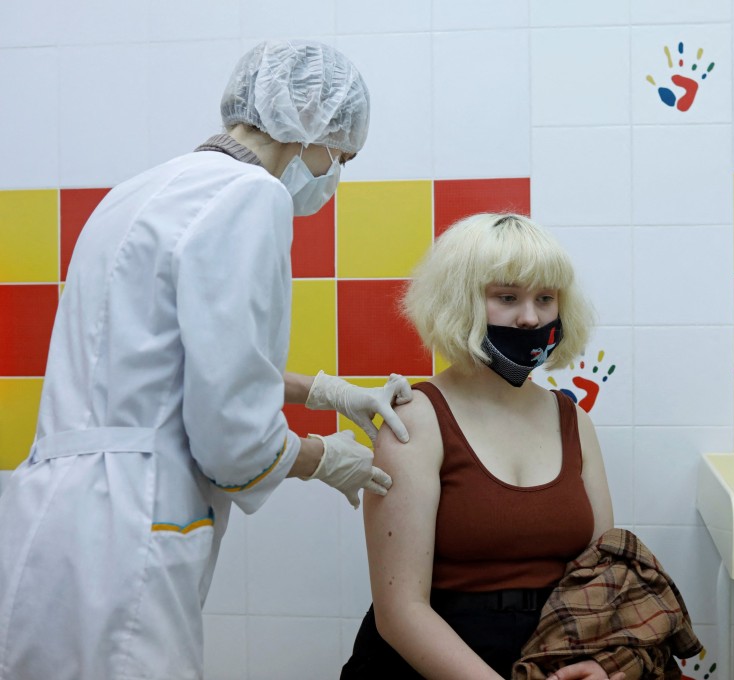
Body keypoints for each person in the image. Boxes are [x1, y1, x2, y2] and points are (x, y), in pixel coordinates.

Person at [0, 40, 411, 680]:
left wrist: (327, 394)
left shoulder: (140, 191)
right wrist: (324, 459)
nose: (335, 176)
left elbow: (172, 363)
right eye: (342, 158)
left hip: (42, 517)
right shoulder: (252, 196)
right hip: (131, 526)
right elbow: (232, 441)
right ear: (314, 128)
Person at [339, 213, 628, 680]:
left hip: (546, 659)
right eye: (507, 297)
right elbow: (401, 613)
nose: (531, 317)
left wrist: (599, 661)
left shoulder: (573, 420)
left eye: (545, 298)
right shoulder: (415, 419)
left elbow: (599, 580)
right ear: (461, 303)